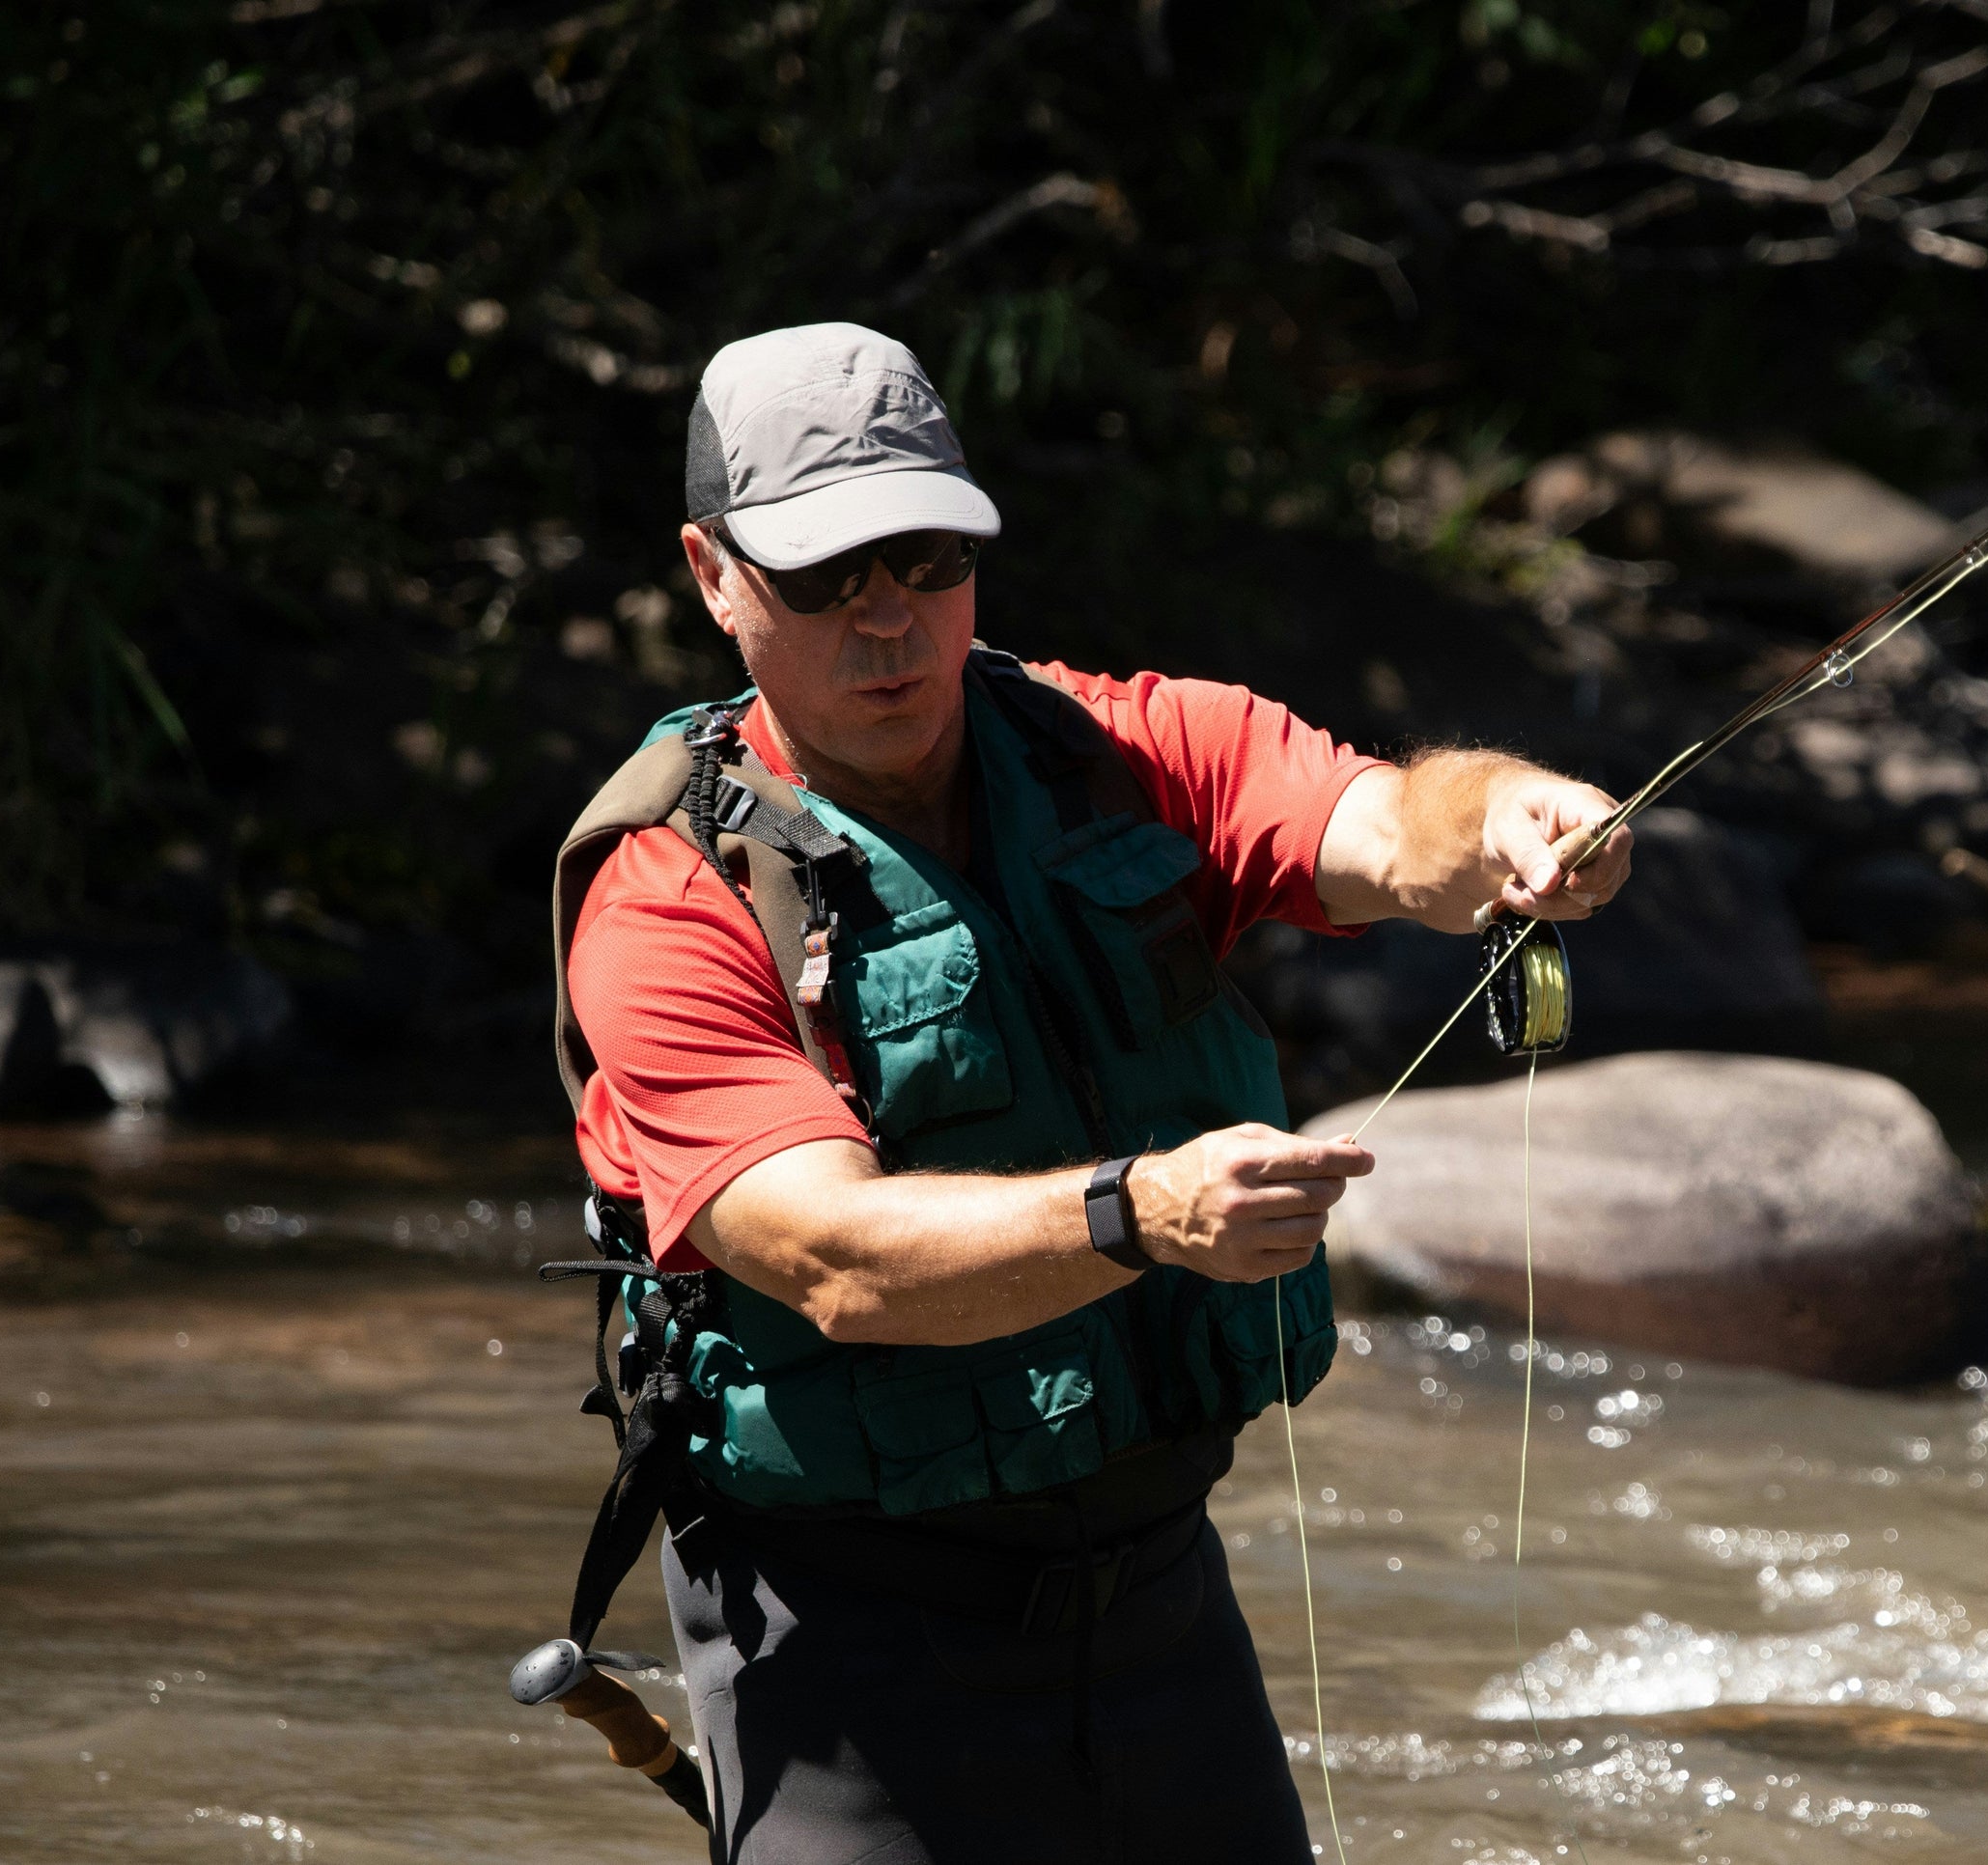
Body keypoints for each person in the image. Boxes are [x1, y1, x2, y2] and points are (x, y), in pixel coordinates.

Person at [545, 321, 1634, 1862]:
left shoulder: (1117, 746)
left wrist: (1515, 815)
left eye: (923, 556)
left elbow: (1386, 823)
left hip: (1156, 1600)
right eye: (822, 574)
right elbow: (829, 1259)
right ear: (714, 576)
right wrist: (1145, 1211)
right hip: (847, 1636)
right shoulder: (667, 893)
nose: (888, 621)